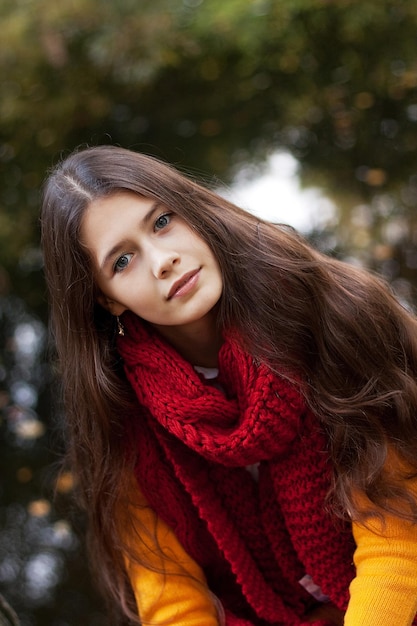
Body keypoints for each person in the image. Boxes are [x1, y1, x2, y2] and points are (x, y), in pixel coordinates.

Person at [40, 145, 417, 626]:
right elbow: (172, 598)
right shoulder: (119, 419)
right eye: (122, 261)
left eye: (161, 222)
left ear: (192, 210)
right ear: (105, 299)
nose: (163, 260)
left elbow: (396, 532)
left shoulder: (334, 315)